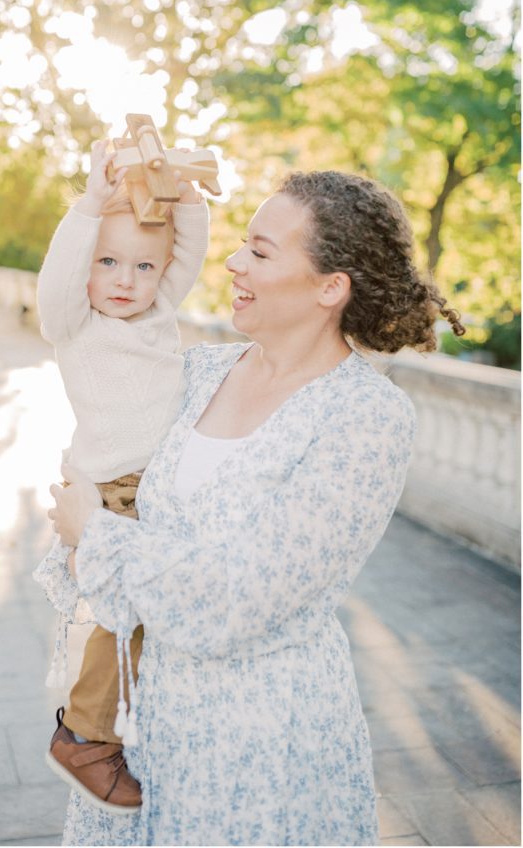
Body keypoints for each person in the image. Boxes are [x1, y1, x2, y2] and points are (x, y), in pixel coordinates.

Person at [45, 169, 465, 847]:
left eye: (262, 252)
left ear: (332, 287)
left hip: (259, 738)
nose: (234, 262)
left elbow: (242, 598)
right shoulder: (200, 371)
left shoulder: (366, 418)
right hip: (141, 728)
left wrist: (93, 533)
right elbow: (118, 483)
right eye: (242, 244)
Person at [33, 139, 210, 812]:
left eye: (142, 266)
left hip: (158, 490)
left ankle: (125, 725)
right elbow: (57, 278)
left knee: (145, 619)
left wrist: (185, 201)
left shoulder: (159, 311)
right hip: (114, 494)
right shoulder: (74, 321)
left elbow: (186, 253)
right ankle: (86, 736)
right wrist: (87, 205)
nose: (125, 279)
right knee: (122, 623)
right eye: (107, 262)